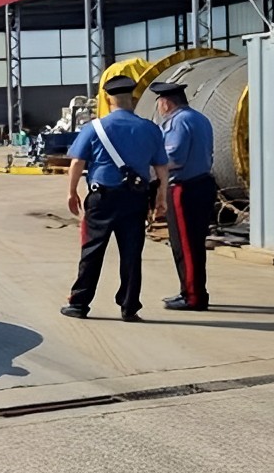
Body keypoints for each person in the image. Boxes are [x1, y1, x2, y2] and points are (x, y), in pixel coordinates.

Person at [61, 76, 169, 322]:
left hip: (102, 198)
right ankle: (129, 306)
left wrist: (71, 192)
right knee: (132, 253)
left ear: (108, 100)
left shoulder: (94, 128)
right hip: (136, 199)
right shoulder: (150, 129)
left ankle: (79, 303)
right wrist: (161, 198)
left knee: (92, 251)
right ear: (132, 99)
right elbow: (162, 168)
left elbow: (77, 162)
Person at [149, 81, 217, 311]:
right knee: (193, 243)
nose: (159, 106)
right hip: (202, 184)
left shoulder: (177, 122)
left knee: (185, 245)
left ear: (166, 103)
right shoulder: (199, 118)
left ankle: (193, 296)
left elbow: (174, 158)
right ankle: (192, 290)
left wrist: (152, 168)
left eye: (159, 101)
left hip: (184, 188)